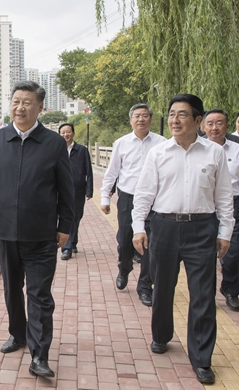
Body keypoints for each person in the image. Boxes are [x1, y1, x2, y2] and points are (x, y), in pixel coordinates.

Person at [0, 81, 75, 378]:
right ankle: (18, 334)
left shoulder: (53, 143)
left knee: (40, 295)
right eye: (16, 101)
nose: (20, 107)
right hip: (4, 232)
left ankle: (40, 356)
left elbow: (67, 189)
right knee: (13, 289)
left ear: (40, 107)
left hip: (41, 235)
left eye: (27, 102)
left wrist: (66, 226)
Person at [132, 94, 234, 385]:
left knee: (203, 294)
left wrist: (224, 232)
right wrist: (139, 227)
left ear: (198, 121)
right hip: (163, 227)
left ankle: (202, 358)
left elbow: (224, 196)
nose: (175, 120)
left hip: (202, 229)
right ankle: (162, 335)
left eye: (182, 115)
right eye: (172, 114)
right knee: (163, 287)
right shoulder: (159, 153)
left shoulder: (214, 154)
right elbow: (144, 194)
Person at [99, 104, 166, 306]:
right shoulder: (122, 143)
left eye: (145, 116)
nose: (141, 119)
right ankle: (124, 267)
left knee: (150, 244)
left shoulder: (162, 143)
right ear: (131, 120)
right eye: (137, 116)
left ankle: (145, 286)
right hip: (128, 198)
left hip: (155, 200)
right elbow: (112, 172)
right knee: (126, 239)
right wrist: (104, 198)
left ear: (150, 119)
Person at [202, 109, 239, 311]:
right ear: (203, 126)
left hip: (234, 205)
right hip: (206, 206)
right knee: (204, 254)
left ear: (227, 126)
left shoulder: (236, 149)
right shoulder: (197, 149)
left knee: (233, 253)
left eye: (219, 123)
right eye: (210, 123)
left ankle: (231, 289)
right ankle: (206, 294)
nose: (214, 128)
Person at [59, 122, 93, 260]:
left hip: (78, 190)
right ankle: (66, 248)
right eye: (63, 132)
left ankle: (73, 242)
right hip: (60, 191)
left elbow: (89, 171)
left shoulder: (82, 150)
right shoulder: (57, 150)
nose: (66, 134)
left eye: (68, 132)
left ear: (73, 133)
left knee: (76, 217)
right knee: (65, 217)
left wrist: (89, 190)